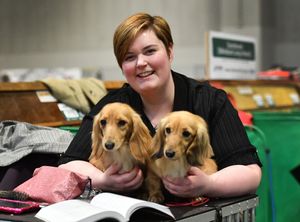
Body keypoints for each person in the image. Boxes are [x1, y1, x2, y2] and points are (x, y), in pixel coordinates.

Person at [58, 12, 262, 199]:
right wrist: (102, 180)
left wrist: (207, 184)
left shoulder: (210, 101)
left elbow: (250, 173)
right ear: (122, 67)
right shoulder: (112, 105)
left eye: (150, 51)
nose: (140, 63)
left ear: (170, 51)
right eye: (129, 57)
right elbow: (68, 164)